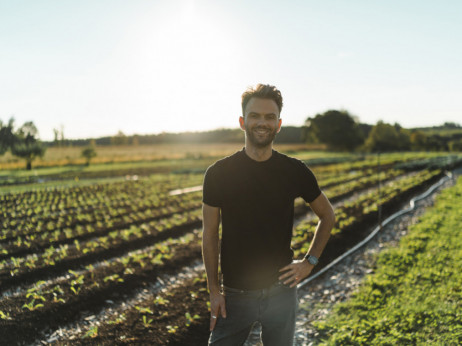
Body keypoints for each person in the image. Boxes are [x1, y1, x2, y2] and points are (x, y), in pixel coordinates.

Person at [202, 84, 335, 345]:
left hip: (281, 293)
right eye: (255, 116)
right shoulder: (218, 174)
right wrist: (214, 291)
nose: (262, 123)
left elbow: (327, 216)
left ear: (279, 124)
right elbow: (209, 234)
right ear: (242, 122)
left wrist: (310, 262)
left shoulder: (295, 170)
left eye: (269, 117)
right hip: (234, 295)